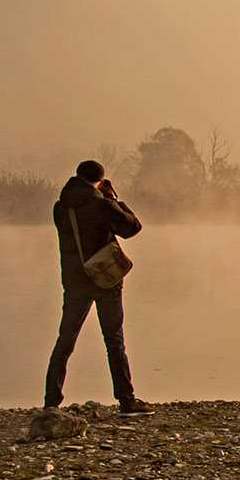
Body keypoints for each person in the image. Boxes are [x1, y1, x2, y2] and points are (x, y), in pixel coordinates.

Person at [43, 159, 153, 414]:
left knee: (65, 341)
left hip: (74, 282)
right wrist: (114, 199)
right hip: (106, 280)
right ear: (101, 181)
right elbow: (132, 228)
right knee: (114, 340)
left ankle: (51, 402)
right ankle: (126, 400)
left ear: (77, 177)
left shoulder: (60, 207)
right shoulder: (102, 204)